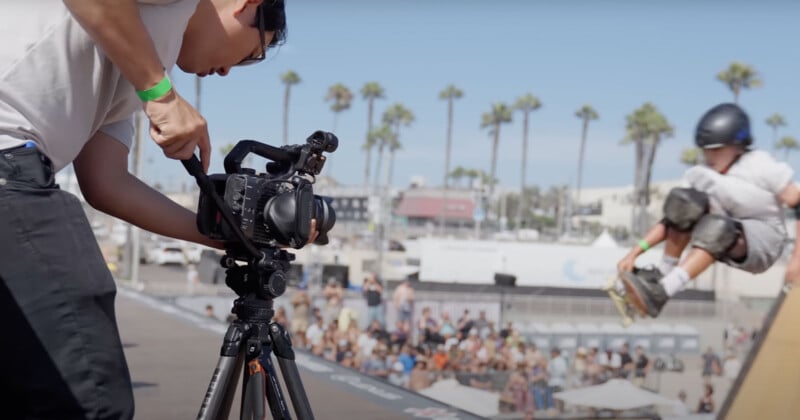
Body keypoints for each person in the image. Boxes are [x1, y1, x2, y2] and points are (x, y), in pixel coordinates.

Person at [0, 1, 289, 418]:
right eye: (250, 56)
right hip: (10, 162)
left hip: (18, 170)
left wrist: (227, 234)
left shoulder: (142, 53)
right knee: (90, 399)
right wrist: (160, 94)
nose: (228, 71)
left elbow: (107, 182)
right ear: (248, 5)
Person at [616, 103, 800, 318]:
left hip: (764, 242)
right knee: (684, 201)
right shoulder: (703, 174)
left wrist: (797, 259)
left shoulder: (760, 166)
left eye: (716, 150)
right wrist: (634, 253)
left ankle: (664, 291)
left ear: (738, 145)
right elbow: (670, 221)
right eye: (705, 150)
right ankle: (662, 276)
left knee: (717, 227)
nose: (709, 156)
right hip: (725, 237)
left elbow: (797, 201)